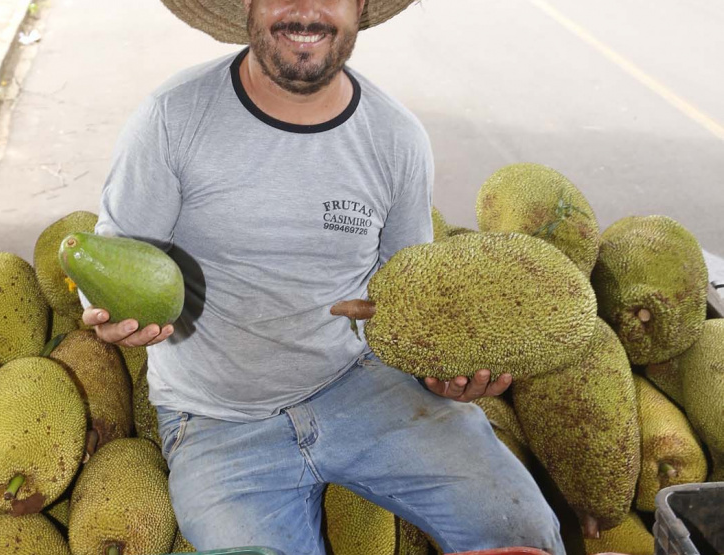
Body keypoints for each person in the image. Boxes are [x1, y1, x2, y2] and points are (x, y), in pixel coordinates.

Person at [81, 1, 565, 553]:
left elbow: (413, 299)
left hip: (364, 384)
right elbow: (112, 258)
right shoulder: (172, 117)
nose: (306, 10)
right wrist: (107, 314)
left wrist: (444, 370)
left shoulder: (396, 137)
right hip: (217, 418)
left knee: (522, 533)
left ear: (360, 7)